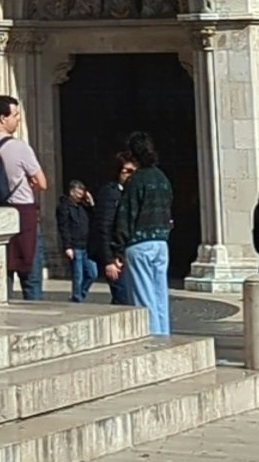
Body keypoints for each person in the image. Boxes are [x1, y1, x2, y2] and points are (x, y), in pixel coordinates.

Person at [0, 93, 49, 299]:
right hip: (24, 214)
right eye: (15, 115)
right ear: (3, 118)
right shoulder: (19, 147)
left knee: (5, 274)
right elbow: (43, 183)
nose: (18, 119)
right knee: (31, 278)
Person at [110, 132, 177, 337]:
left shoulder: (136, 180)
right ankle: (163, 335)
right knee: (160, 295)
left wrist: (118, 249)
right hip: (161, 242)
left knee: (144, 297)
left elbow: (126, 215)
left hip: (139, 244)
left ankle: (153, 338)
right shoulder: (162, 178)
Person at [57, 175, 108, 300]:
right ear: (72, 192)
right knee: (78, 275)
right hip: (75, 246)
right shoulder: (64, 207)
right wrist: (67, 246)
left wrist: (91, 203)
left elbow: (96, 218)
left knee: (92, 273)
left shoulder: (83, 207)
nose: (81, 196)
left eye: (82, 193)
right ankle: (77, 297)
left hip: (87, 246)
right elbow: (64, 227)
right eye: (78, 193)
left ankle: (80, 294)